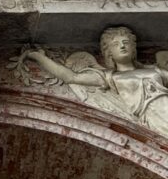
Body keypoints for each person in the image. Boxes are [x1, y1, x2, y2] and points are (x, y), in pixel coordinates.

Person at [25, 26, 168, 135]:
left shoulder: (154, 70)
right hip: (152, 116)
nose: (122, 46)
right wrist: (40, 57)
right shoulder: (109, 77)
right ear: (109, 52)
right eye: (115, 44)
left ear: (133, 48)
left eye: (126, 42)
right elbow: (71, 77)